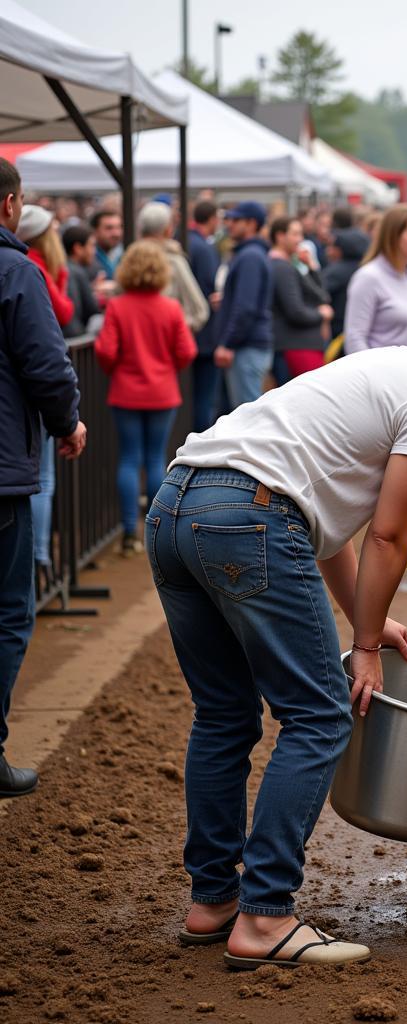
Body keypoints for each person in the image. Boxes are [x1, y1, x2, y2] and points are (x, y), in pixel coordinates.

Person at [147, 276, 407, 969]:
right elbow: (388, 537)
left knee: (225, 715)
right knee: (323, 714)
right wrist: (361, 646)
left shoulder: (376, 367)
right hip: (250, 516)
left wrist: (372, 621)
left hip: (177, 503)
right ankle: (265, 917)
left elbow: (331, 534)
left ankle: (213, 903)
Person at [0, 158, 86, 798]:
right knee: (7, 612)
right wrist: (68, 423)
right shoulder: (16, 270)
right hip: (1, 474)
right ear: (10, 207)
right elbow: (48, 367)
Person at [95, 241, 197, 554]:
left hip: (126, 391)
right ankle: (156, 530)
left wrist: (117, 368)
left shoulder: (118, 306)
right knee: (156, 459)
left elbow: (106, 351)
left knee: (129, 459)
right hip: (162, 391)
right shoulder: (170, 308)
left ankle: (129, 532)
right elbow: (187, 351)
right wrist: (167, 368)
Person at [17, 205, 74, 591]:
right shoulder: (27, 268)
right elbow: (62, 315)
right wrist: (67, 422)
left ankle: (37, 560)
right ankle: (39, 560)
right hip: (27, 402)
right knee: (43, 480)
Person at [343, 205, 407, 354]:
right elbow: (354, 339)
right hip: (380, 373)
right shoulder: (368, 277)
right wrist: (374, 375)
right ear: (393, 236)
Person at [214, 201, 273, 410]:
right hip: (248, 345)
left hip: (246, 347)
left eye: (236, 220)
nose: (229, 224)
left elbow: (246, 307)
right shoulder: (250, 254)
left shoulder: (250, 256)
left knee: (248, 417)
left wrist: (228, 343)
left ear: (251, 223)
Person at [268, 216, 333, 380]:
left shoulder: (288, 266)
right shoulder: (282, 268)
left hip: (299, 345)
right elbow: (295, 311)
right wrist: (321, 315)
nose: (300, 240)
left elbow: (321, 296)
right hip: (295, 346)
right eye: (295, 234)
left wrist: (311, 268)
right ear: (280, 236)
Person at [139, 202, 210, 337]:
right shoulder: (173, 261)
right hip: (164, 344)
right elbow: (199, 311)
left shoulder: (129, 260)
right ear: (168, 230)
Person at [187, 200, 222, 432]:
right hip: (205, 334)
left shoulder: (187, 242)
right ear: (211, 219)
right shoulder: (204, 248)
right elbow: (211, 285)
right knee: (204, 399)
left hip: (191, 332)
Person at [323, 228, 367, 346]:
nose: (329, 251)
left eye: (333, 247)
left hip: (338, 332)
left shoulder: (335, 272)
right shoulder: (368, 269)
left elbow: (320, 294)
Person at [61, 224, 101, 337]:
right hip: (75, 336)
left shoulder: (63, 268)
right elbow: (91, 309)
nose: (94, 251)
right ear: (78, 248)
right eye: (92, 246)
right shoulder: (77, 272)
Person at [90, 208, 123, 282]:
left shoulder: (124, 254)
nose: (116, 233)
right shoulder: (88, 258)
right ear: (95, 231)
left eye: (119, 227)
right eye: (109, 228)